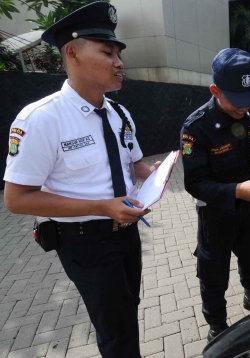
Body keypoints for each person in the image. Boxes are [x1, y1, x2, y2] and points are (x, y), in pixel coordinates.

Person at [3, 3, 160, 357]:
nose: (119, 62)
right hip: (86, 242)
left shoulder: (120, 112)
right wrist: (103, 206)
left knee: (126, 312)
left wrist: (156, 179)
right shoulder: (40, 119)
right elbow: (16, 199)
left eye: (119, 52)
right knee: (115, 332)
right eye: (107, 52)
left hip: (128, 233)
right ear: (71, 53)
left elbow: (134, 165)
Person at [180, 48, 250, 343]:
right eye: (236, 101)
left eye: (249, 100)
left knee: (249, 255)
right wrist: (237, 191)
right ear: (215, 90)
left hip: (247, 209)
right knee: (213, 272)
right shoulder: (196, 127)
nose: (244, 108)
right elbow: (194, 182)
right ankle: (217, 325)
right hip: (215, 213)